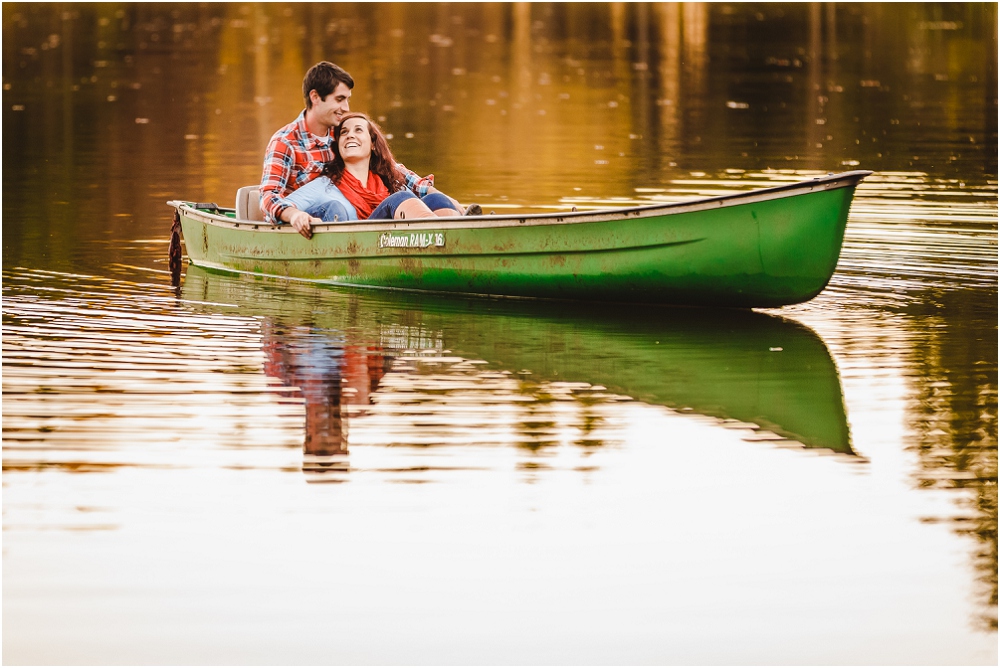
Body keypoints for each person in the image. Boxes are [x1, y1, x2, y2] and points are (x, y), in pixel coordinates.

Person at [259, 61, 468, 239]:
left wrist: (440, 195)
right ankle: (442, 238)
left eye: (348, 99)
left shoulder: (340, 132)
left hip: (357, 216)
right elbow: (268, 196)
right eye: (340, 99)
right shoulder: (285, 142)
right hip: (307, 226)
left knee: (435, 200)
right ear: (315, 97)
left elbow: (390, 168)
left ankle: (462, 235)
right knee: (357, 205)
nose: (347, 107)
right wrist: (294, 215)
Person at [316, 112, 462, 221]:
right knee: (400, 197)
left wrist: (452, 202)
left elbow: (418, 185)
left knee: (436, 198)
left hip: (392, 232)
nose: (351, 136)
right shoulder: (329, 174)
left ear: (373, 144)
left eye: (358, 131)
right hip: (360, 235)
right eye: (344, 133)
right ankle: (439, 231)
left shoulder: (385, 168)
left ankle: (460, 230)